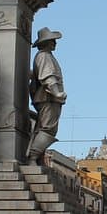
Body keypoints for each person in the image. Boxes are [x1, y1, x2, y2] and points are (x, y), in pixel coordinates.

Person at [26, 28, 67, 164]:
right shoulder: (44, 56)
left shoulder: (44, 56)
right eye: (52, 40)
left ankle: (37, 158)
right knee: (48, 129)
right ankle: (32, 157)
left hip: (47, 98)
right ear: (46, 42)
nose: (55, 42)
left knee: (43, 128)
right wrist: (56, 93)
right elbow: (47, 76)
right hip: (48, 98)